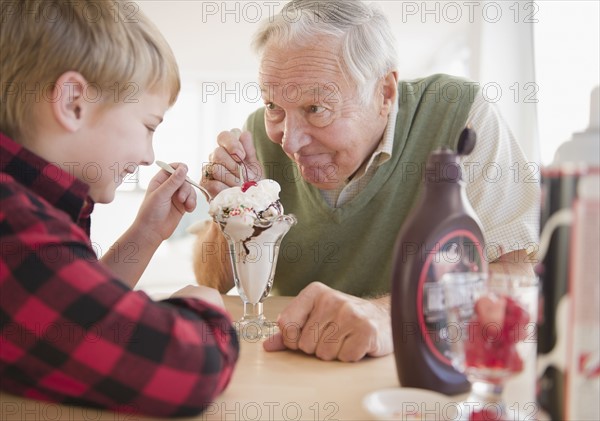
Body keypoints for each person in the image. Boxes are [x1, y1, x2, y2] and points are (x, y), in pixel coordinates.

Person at [194, 0, 539, 362]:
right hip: (293, 359)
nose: (289, 141)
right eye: (273, 106)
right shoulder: (258, 137)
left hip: (417, 370)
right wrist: (233, 212)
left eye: (316, 109)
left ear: (384, 93)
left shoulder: (461, 114)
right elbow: (209, 281)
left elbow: (515, 278)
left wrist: (392, 314)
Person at [0, 0, 238, 417]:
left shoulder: (28, 209)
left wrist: (145, 235)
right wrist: (204, 303)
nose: (148, 156)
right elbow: (185, 370)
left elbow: (74, 318)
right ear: (73, 102)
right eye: (149, 126)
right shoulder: (12, 224)